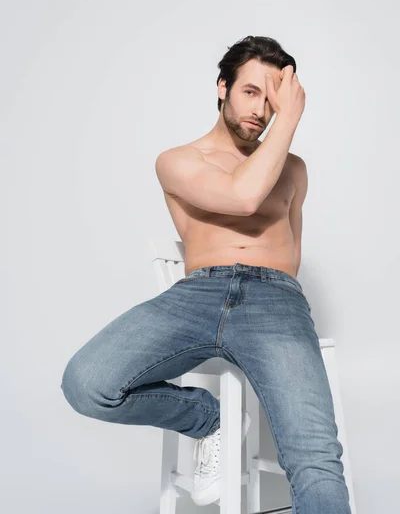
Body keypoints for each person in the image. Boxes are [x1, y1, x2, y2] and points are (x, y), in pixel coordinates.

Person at [61, 35, 352, 512]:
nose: (262, 110)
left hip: (275, 299)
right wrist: (293, 118)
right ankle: (206, 419)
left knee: (315, 456)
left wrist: (274, 283)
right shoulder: (178, 160)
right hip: (195, 295)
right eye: (251, 91)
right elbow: (243, 198)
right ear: (222, 87)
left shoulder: (293, 169)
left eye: (274, 98)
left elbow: (291, 255)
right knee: (87, 382)